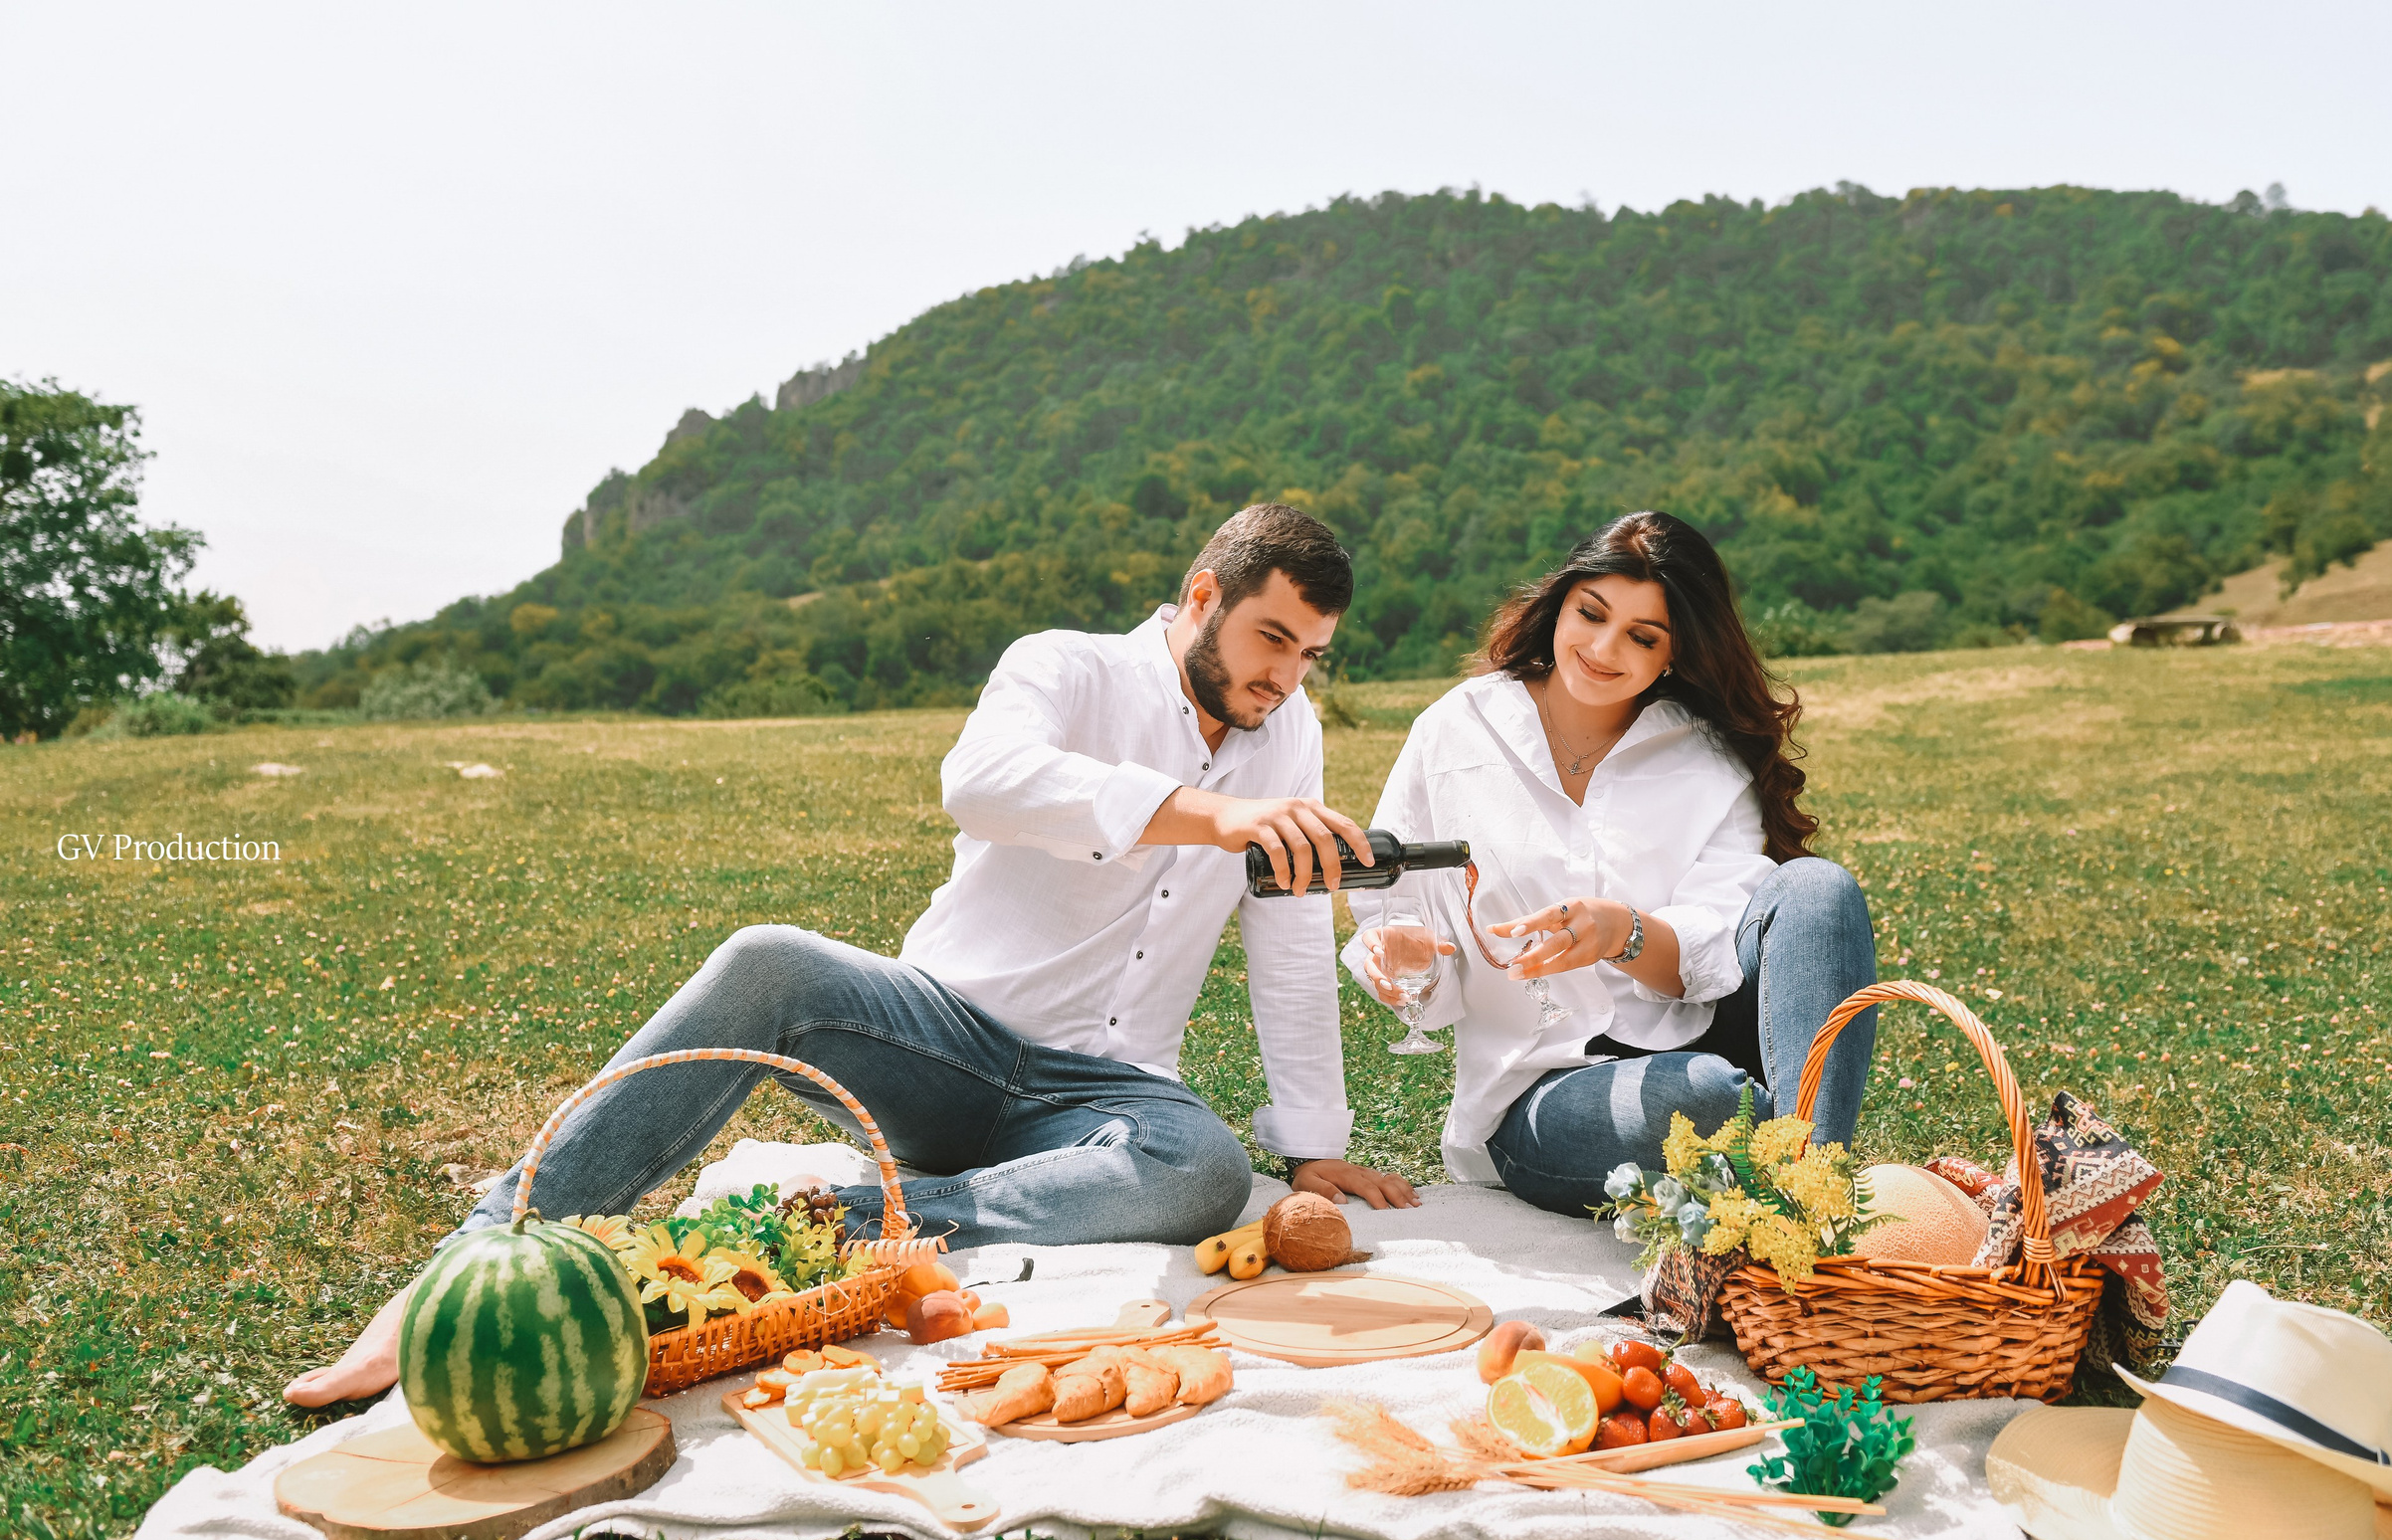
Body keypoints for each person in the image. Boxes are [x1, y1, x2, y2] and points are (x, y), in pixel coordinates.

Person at [287, 503, 1415, 1409]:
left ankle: (831, 1220)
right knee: (768, 958)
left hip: (1100, 1097)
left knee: (1205, 1170)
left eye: (1311, 656)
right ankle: (478, 1258)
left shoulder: (1292, 735)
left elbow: (1285, 934)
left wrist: (1313, 1147)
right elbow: (979, 782)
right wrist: (1201, 813)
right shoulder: (1066, 668)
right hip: (940, 1038)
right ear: (1204, 597)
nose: (1287, 678)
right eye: (1273, 640)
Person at [1341, 510, 1878, 1218]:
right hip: (1544, 1089)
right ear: (1560, 601)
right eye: (1589, 613)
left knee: (1819, 887)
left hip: (1708, 1036)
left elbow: (1714, 956)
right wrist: (1404, 957)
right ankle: (1796, 1171)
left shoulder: (1706, 759)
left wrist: (1621, 931)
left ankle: (1808, 1199)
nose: (1601, 647)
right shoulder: (1456, 730)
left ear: (1675, 654)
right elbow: (1401, 918)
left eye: (1641, 636)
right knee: (1706, 1097)